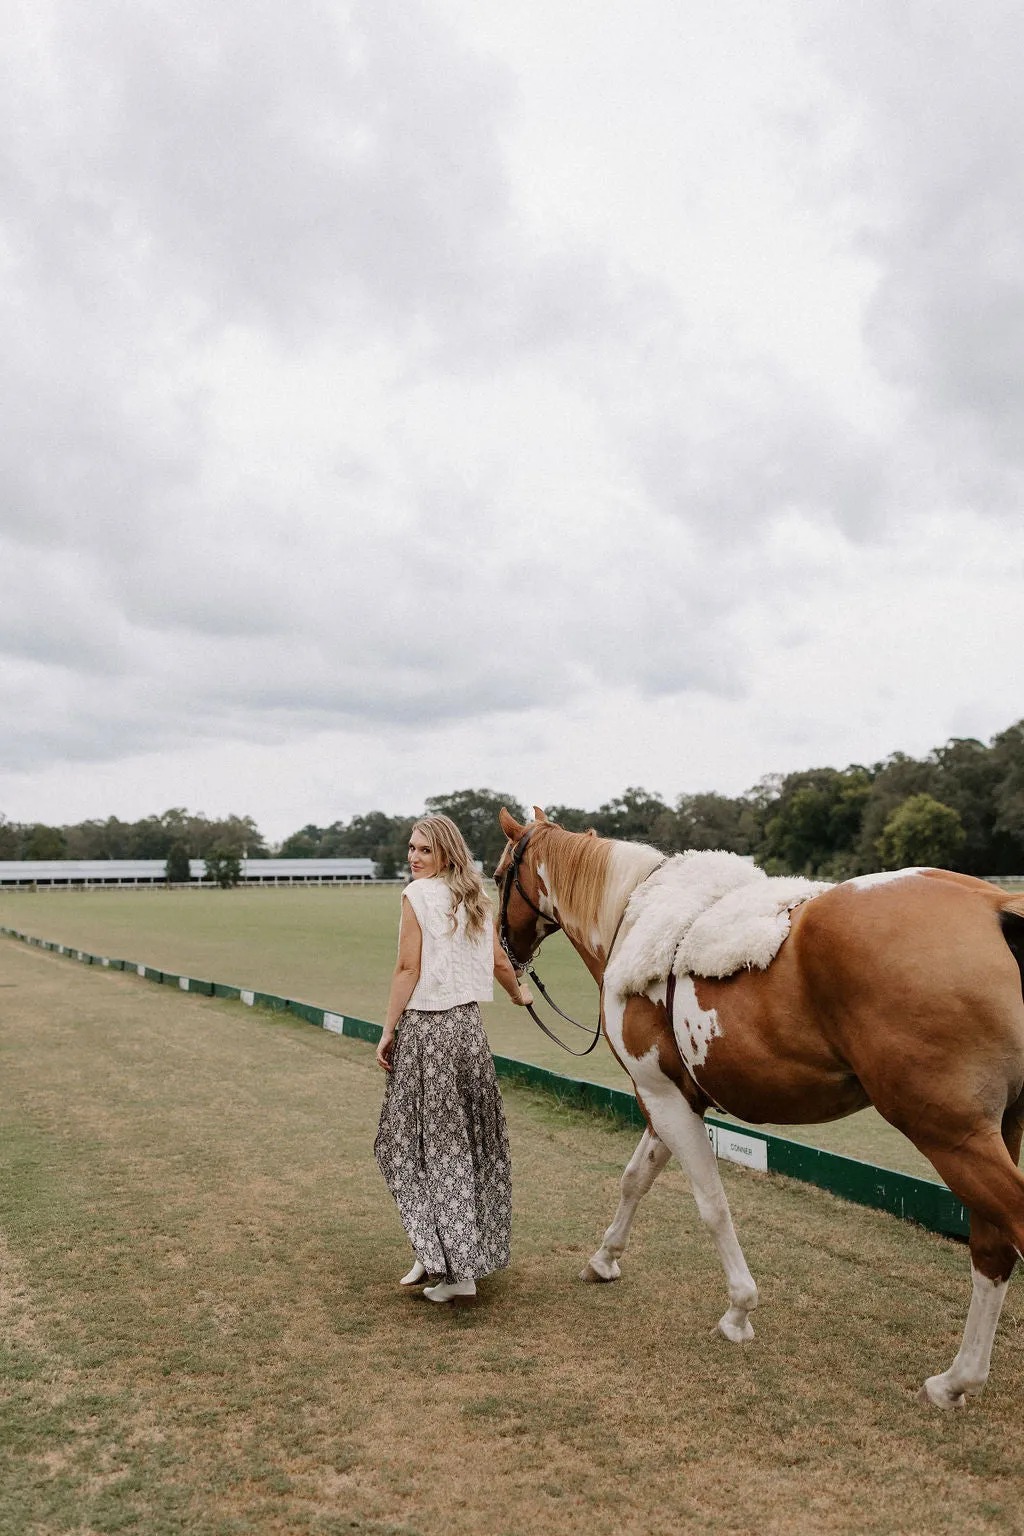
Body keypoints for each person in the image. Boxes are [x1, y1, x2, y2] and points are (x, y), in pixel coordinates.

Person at [373, 814, 531, 1304]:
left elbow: (406, 967)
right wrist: (517, 993)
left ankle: (457, 1272)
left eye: (423, 849)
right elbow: (501, 961)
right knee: (457, 1144)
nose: (413, 857)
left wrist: (387, 1030)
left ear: (445, 852)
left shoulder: (416, 896)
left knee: (412, 1146)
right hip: (467, 1032)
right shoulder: (475, 896)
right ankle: (434, 1247)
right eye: (411, 848)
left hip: (428, 1031)